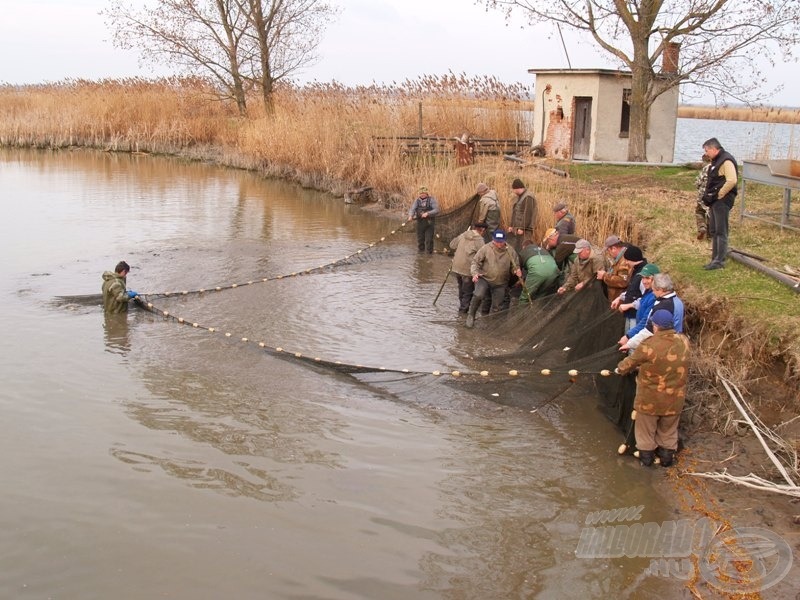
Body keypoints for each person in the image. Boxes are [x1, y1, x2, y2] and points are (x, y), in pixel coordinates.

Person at [616, 309, 690, 467]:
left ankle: (646, 462)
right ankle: (666, 460)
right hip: (674, 399)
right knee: (669, 431)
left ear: (656, 326)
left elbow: (627, 364)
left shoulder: (649, 344)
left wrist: (620, 369)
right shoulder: (683, 341)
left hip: (650, 400)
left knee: (645, 432)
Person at [466, 230, 522, 328]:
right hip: (484, 278)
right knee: (478, 295)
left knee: (497, 306)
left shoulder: (511, 251)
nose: (499, 244)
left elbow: (515, 266)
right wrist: (474, 273)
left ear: (505, 241)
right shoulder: (486, 248)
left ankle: (492, 325)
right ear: (493, 240)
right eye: (497, 241)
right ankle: (471, 315)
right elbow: (475, 262)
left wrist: (516, 271)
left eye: (501, 242)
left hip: (501, 282)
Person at [620, 273, 684, 352]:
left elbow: (649, 331)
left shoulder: (662, 307)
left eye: (653, 290)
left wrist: (630, 344)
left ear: (661, 290)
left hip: (662, 349)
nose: (653, 293)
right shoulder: (677, 301)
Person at [701, 138, 738, 270]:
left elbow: (732, 180)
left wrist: (720, 194)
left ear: (714, 149)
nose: (706, 154)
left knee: (721, 231)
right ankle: (714, 259)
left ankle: (719, 261)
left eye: (707, 151)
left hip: (722, 201)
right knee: (714, 230)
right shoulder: (717, 160)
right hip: (715, 201)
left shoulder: (726, 161)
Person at [449, 222, 488, 313]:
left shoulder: (463, 235)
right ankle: (463, 312)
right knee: (467, 292)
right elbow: (484, 255)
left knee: (461, 289)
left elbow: (452, 245)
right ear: (482, 230)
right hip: (467, 270)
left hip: (456, 268)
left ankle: (462, 308)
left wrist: (460, 236)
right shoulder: (479, 240)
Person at [617, 263, 659, 346]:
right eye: (643, 278)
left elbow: (645, 321)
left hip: (645, 335)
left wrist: (628, 336)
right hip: (639, 331)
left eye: (647, 278)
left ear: (656, 279)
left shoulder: (654, 296)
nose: (644, 281)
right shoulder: (648, 291)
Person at [611, 245, 648, 331]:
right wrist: (619, 298)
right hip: (630, 314)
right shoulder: (635, 270)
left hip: (637, 316)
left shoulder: (643, 275)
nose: (626, 262)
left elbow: (645, 298)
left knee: (632, 341)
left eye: (627, 260)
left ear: (633, 259)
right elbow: (632, 290)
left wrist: (629, 305)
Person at [596, 235, 631, 302]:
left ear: (614, 248)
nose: (609, 253)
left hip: (620, 301)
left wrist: (604, 276)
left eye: (608, 250)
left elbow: (623, 281)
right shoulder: (619, 259)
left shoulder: (624, 260)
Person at [507, 178, 537, 253]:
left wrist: (522, 228)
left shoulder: (528, 197)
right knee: (517, 248)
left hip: (525, 230)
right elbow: (515, 212)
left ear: (517, 188)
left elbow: (528, 214)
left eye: (514, 189)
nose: (513, 192)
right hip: (518, 229)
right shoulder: (520, 197)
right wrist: (511, 225)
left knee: (524, 248)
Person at [407, 186, 440, 254]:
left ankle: (429, 255)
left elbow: (437, 210)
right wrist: (411, 215)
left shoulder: (431, 200)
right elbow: (412, 209)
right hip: (420, 222)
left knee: (429, 240)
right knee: (420, 240)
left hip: (429, 223)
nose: (422, 194)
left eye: (424, 193)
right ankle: (421, 255)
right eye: (421, 193)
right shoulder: (417, 201)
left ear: (427, 193)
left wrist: (427, 213)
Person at [694, 154, 712, 240]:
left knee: (699, 212)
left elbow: (698, 183)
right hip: (712, 196)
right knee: (710, 214)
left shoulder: (705, 169)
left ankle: (702, 226)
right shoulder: (717, 168)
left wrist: (698, 187)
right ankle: (710, 234)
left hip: (702, 196)